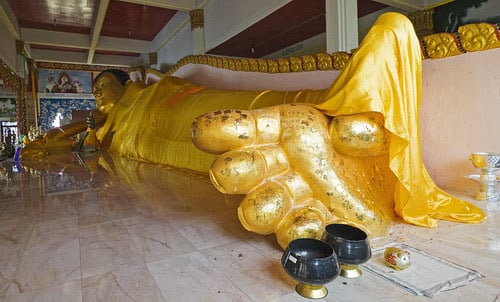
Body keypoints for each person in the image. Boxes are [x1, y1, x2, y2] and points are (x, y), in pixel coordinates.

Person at [21, 12, 485, 249]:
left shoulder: (152, 88)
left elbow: (193, 95)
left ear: (127, 83)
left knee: (224, 120)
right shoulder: (104, 128)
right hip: (154, 146)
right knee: (204, 150)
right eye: (97, 92)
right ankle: (325, 138)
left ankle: (329, 120)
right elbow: (69, 144)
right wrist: (81, 125)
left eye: (105, 86)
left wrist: (141, 94)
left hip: (175, 106)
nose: (101, 97)